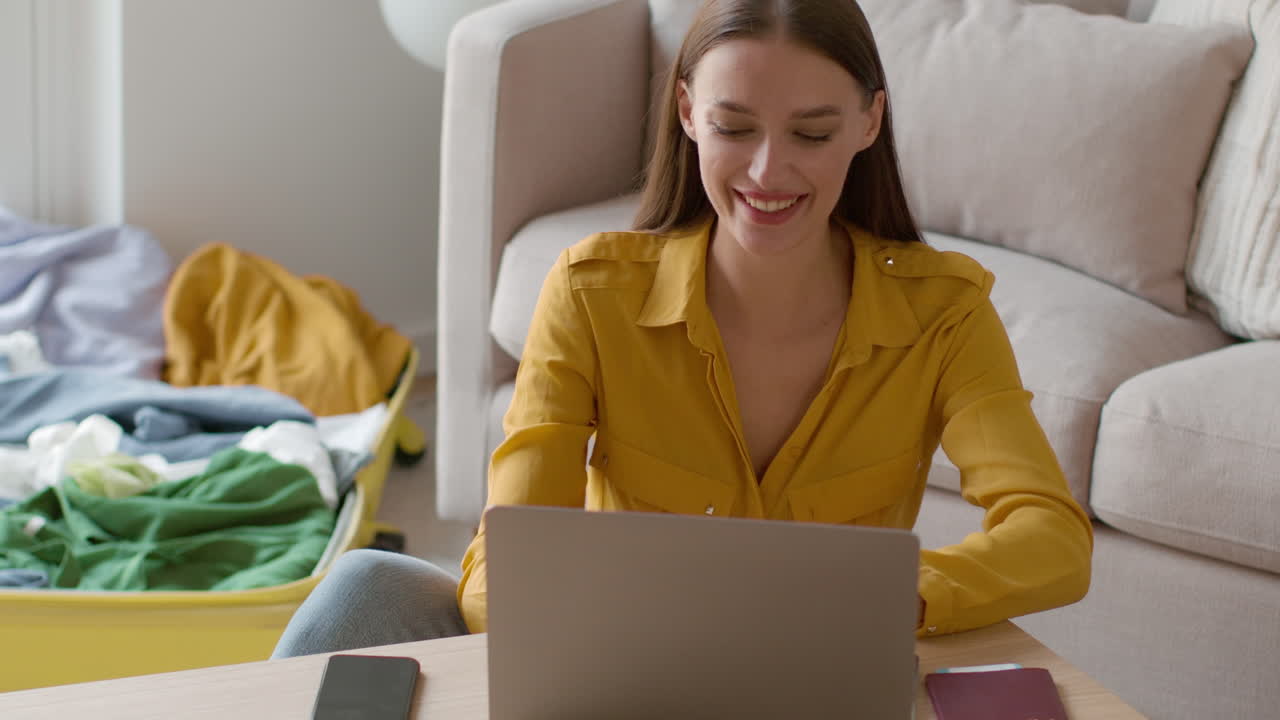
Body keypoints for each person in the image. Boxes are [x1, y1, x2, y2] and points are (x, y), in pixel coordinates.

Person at [271, 0, 1092, 659]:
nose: (769, 172)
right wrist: (565, 643)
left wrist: (891, 599)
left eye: (812, 133)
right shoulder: (593, 293)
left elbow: (1052, 536)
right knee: (366, 589)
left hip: (816, 671)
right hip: (613, 658)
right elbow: (512, 549)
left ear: (870, 122)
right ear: (689, 111)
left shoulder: (943, 313)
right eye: (736, 127)